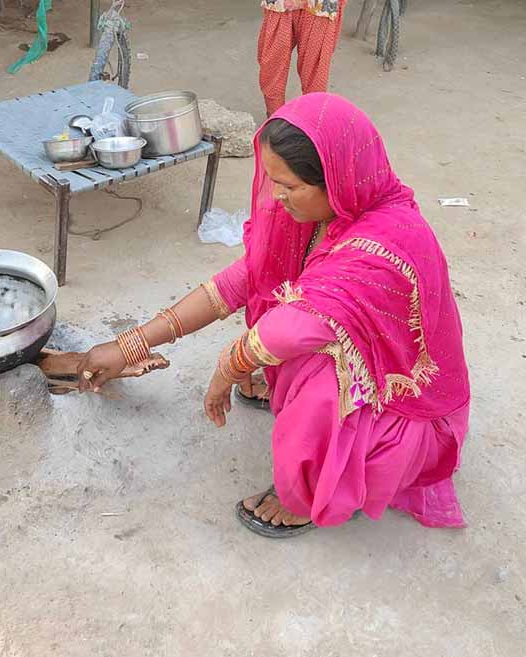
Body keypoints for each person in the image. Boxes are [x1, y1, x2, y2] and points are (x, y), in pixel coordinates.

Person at [76, 93, 470, 536]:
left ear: (337, 180)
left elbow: (291, 330)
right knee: (283, 317)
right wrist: (133, 343)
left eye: (289, 186)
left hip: (404, 403)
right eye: (272, 181)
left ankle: (312, 491)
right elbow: (245, 279)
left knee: (315, 369)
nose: (277, 197)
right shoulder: (314, 211)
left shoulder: (384, 242)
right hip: (342, 344)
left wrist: (228, 367)